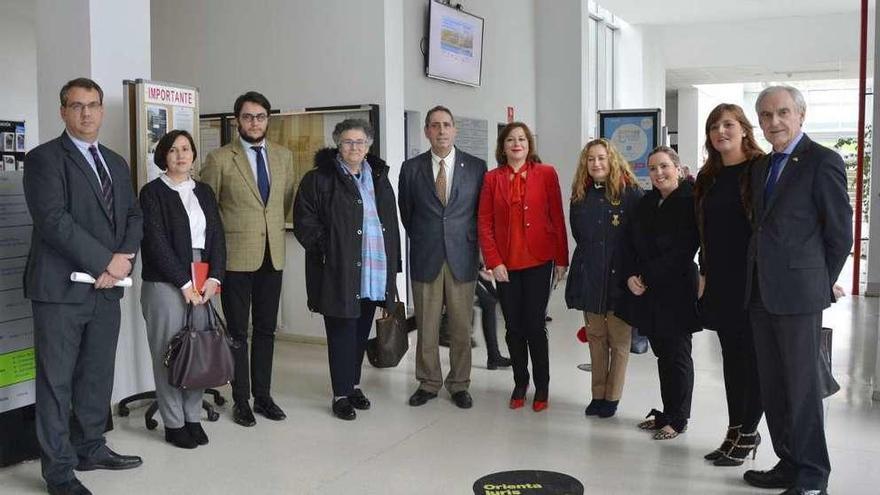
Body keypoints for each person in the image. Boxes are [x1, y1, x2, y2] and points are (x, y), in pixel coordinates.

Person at [23, 77, 143, 495]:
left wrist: (122, 260)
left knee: (96, 375)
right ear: (62, 111)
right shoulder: (43, 160)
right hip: (60, 291)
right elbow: (54, 221)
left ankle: (90, 446)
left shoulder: (115, 161)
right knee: (56, 383)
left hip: (107, 289)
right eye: (76, 106)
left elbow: (133, 216)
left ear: (101, 110)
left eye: (93, 105)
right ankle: (58, 471)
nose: (86, 113)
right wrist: (104, 260)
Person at [743, 85, 851, 495]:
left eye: (783, 113)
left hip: (799, 294)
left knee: (803, 388)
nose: (774, 122)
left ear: (801, 115)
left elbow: (840, 234)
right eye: (767, 116)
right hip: (760, 292)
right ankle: (788, 462)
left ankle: (812, 477)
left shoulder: (822, 161)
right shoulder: (761, 167)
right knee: (774, 384)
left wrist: (820, 284)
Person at [200, 91, 296, 427]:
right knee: (238, 332)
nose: (254, 122)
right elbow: (208, 211)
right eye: (247, 116)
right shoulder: (220, 158)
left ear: (268, 120)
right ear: (237, 120)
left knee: (267, 330)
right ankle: (241, 399)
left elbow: (283, 202)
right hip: (236, 258)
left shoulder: (284, 157)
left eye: (260, 116)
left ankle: (264, 396)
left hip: (273, 256)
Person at [293, 119, 400, 420]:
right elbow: (305, 223)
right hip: (338, 270)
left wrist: (394, 270)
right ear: (338, 145)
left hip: (373, 269)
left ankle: (353, 385)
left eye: (360, 142)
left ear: (368, 147)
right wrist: (328, 249)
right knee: (341, 332)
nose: (354, 148)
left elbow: (391, 224)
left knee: (360, 332)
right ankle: (340, 394)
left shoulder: (378, 177)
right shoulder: (319, 179)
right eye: (348, 142)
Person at [139, 130, 225, 449]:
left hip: (202, 274)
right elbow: (156, 242)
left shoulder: (203, 190)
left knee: (198, 349)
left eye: (186, 149)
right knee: (170, 354)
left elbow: (217, 235)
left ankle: (192, 416)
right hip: (165, 280)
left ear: (193, 154)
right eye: (173, 150)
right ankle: (173, 422)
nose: (180, 155)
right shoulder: (152, 192)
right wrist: (184, 283)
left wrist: (215, 277)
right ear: (164, 155)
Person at [398, 106, 488, 409]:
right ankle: (429, 382)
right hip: (426, 257)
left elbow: (480, 215)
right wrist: (428, 238)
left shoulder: (476, 167)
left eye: (447, 125)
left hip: (463, 256)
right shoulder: (411, 169)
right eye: (435, 126)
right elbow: (407, 214)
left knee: (461, 327)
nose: (441, 131)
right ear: (426, 131)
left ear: (455, 130)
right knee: (427, 326)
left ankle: (460, 383)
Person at [478, 122, 569, 412]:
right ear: (502, 147)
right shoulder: (492, 179)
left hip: (539, 261)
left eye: (521, 139)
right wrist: (494, 262)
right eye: (510, 140)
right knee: (513, 328)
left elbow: (556, 216)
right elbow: (484, 224)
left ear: (529, 145)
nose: (516, 143)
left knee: (534, 325)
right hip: (506, 266)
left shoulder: (546, 174)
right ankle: (520, 382)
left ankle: (542, 386)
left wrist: (562, 259)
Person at [694, 104, 765, 466]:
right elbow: (704, 232)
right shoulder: (709, 176)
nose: (720, 131)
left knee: (753, 360)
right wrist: (703, 275)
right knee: (732, 361)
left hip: (753, 281)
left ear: (743, 129)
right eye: (714, 127)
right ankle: (735, 428)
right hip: (721, 280)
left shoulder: (760, 169)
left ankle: (749, 432)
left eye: (728, 124)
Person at [617, 145, 699, 440]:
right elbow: (628, 242)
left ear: (678, 168)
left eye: (664, 166)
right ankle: (667, 411)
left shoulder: (690, 200)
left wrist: (645, 275)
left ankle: (679, 418)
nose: (659, 173)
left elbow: (683, 249)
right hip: (649, 291)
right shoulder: (648, 201)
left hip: (676, 290)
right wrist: (629, 275)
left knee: (678, 355)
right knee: (662, 354)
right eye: (653, 168)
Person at [566, 138, 642, 419]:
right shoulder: (579, 195)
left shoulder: (631, 193)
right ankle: (597, 394)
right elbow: (580, 237)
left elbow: (639, 237)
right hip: (591, 277)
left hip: (621, 278)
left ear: (611, 160)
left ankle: (612, 397)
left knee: (619, 341)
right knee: (596, 338)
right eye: (590, 159)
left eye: (601, 158)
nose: (596, 164)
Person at [475, 264, 511, 369]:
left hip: (471, 267)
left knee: (493, 296)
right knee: (489, 303)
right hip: (459, 267)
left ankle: (493, 356)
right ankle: (493, 356)